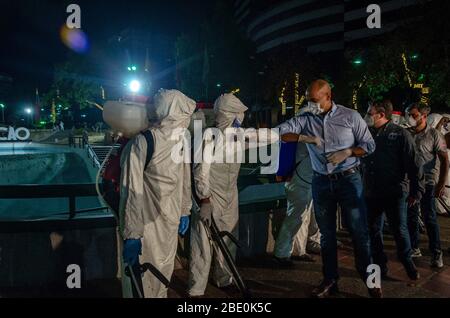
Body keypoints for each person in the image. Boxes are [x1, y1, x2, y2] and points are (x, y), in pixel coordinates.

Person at [277, 79, 380, 298]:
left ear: (328, 96)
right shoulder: (305, 118)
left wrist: (349, 152)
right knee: (326, 235)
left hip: (349, 179)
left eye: (314, 100)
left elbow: (369, 145)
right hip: (321, 181)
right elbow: (280, 132)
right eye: (308, 100)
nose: (311, 104)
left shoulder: (350, 116)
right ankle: (330, 279)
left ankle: (372, 281)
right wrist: (304, 137)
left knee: (360, 233)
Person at [120, 89, 196, 298]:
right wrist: (132, 234)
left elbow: (184, 179)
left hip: (170, 223)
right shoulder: (143, 142)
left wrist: (184, 210)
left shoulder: (181, 140)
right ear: (174, 113)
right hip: (147, 227)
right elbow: (131, 192)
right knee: (143, 279)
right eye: (184, 113)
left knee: (164, 273)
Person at [188, 93, 248, 297]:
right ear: (229, 115)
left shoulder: (238, 138)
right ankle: (196, 288)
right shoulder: (208, 138)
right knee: (203, 243)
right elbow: (200, 172)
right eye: (239, 114)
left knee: (229, 238)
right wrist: (205, 200)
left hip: (231, 196)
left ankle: (224, 279)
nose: (242, 118)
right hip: (210, 198)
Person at [362, 100, 424, 280]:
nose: (366, 116)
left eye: (369, 113)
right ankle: (380, 267)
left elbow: (414, 164)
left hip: (395, 191)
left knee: (399, 230)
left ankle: (407, 261)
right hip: (371, 191)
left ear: (381, 115)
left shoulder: (400, 134)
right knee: (373, 231)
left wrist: (416, 191)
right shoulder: (367, 134)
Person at [405, 103, 448, 268]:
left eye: (414, 115)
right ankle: (414, 247)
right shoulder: (407, 134)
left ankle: (436, 253)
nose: (410, 118)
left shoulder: (435, 135)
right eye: (408, 114)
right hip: (410, 183)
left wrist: (441, 184)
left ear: (424, 116)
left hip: (428, 183)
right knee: (412, 217)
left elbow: (444, 160)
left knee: (429, 218)